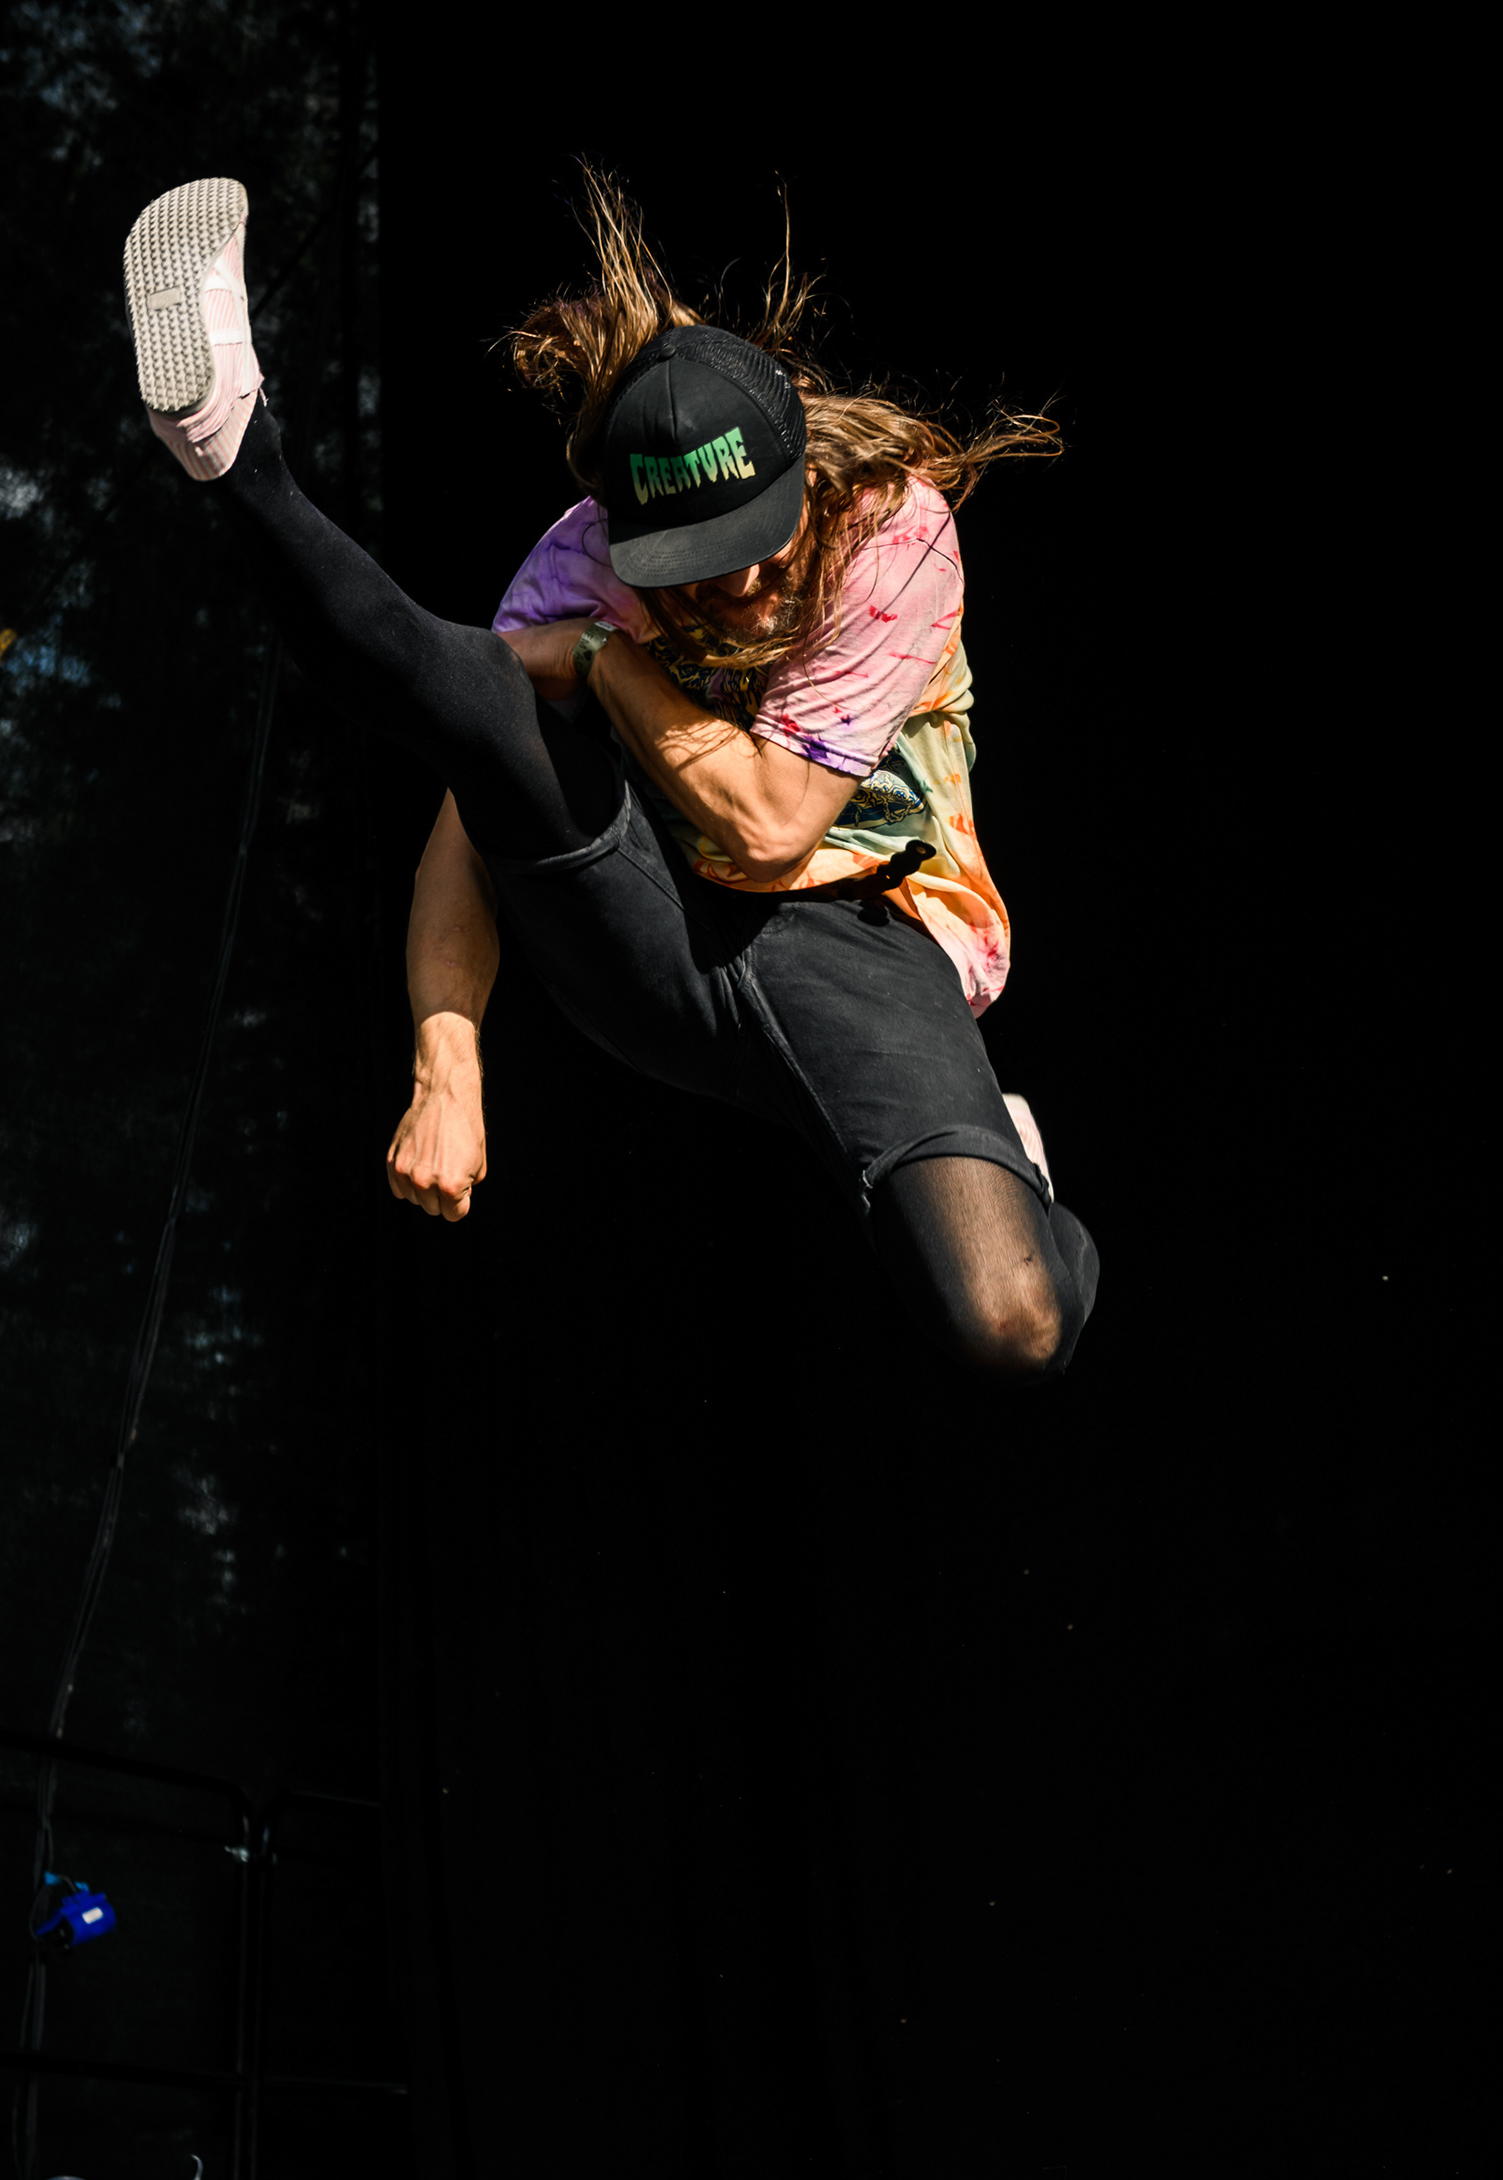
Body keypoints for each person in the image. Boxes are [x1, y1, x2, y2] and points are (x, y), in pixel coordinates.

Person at [122, 171, 1098, 1379]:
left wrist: (603, 659)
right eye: (696, 562)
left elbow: (772, 827)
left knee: (1014, 1326)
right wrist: (446, 1064)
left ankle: (1020, 1174)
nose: (739, 586)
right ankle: (233, 445)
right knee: (483, 695)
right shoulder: (580, 563)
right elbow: (465, 823)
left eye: (760, 544)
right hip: (655, 923)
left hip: (872, 948)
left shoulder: (891, 534)